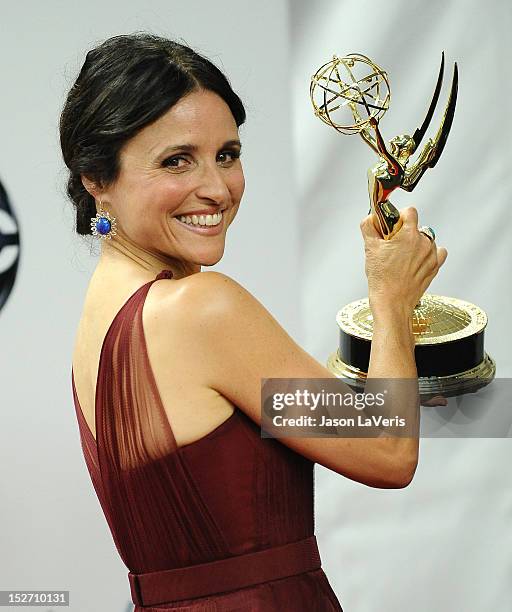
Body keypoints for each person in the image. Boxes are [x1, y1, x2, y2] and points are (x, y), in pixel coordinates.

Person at [61, 32, 447, 611]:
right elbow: (387, 448)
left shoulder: (106, 313)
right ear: (96, 179)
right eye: (176, 160)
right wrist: (391, 300)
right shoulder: (199, 308)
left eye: (228, 154)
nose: (217, 188)